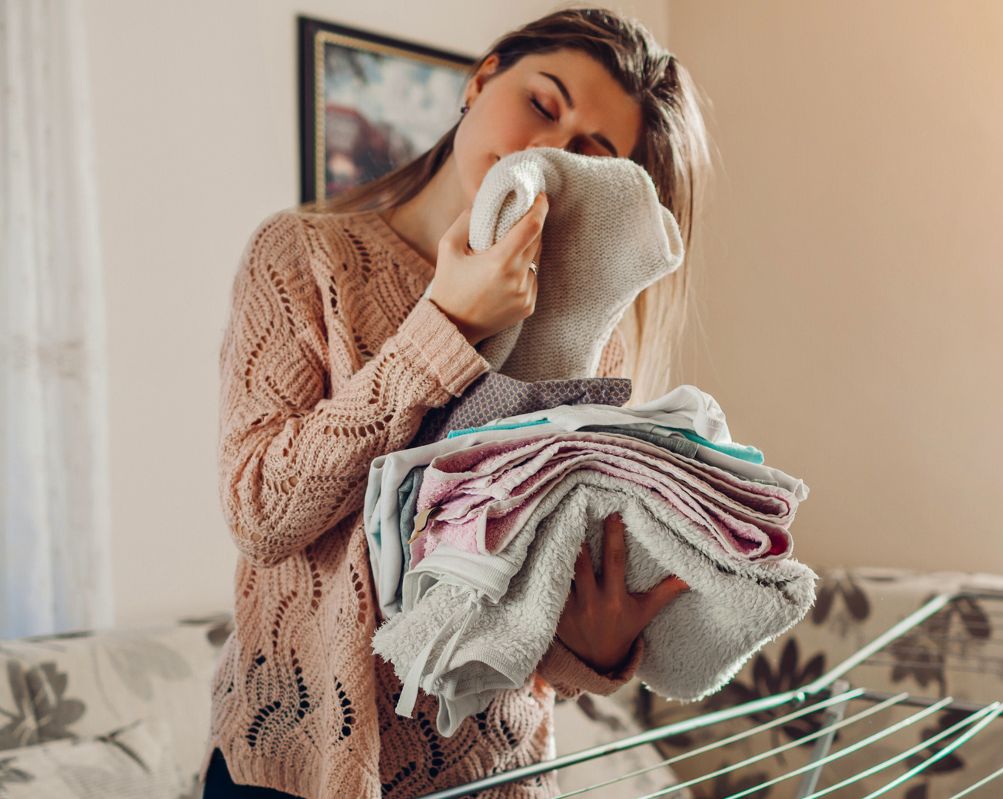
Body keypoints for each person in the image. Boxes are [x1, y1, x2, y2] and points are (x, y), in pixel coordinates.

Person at [202, 7, 713, 797]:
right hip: (287, 759)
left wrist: (599, 652)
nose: (548, 151)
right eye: (543, 105)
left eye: (591, 151)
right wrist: (445, 327)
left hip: (488, 773)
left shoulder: (583, 327)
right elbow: (262, 512)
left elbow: (536, 598)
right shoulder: (302, 255)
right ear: (482, 78)